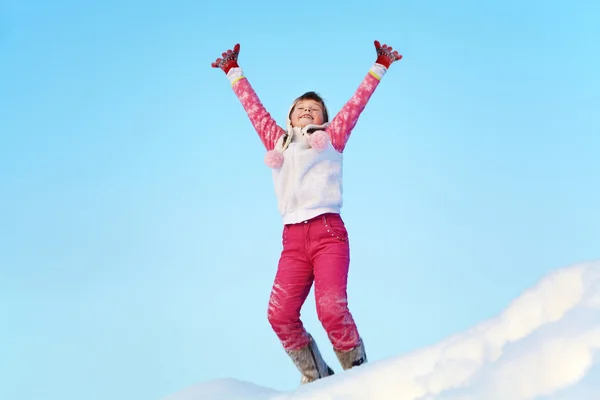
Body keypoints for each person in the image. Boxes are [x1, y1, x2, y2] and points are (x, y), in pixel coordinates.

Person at [210, 40, 402, 384]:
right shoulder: (277, 141)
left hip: (329, 234)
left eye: (315, 109)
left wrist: (380, 65)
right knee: (279, 314)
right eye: (301, 108)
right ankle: (318, 379)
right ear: (289, 116)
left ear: (325, 119)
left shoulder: (332, 137)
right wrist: (232, 71)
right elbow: (252, 108)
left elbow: (357, 104)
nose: (307, 111)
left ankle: (359, 373)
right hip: (294, 241)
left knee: (330, 309)